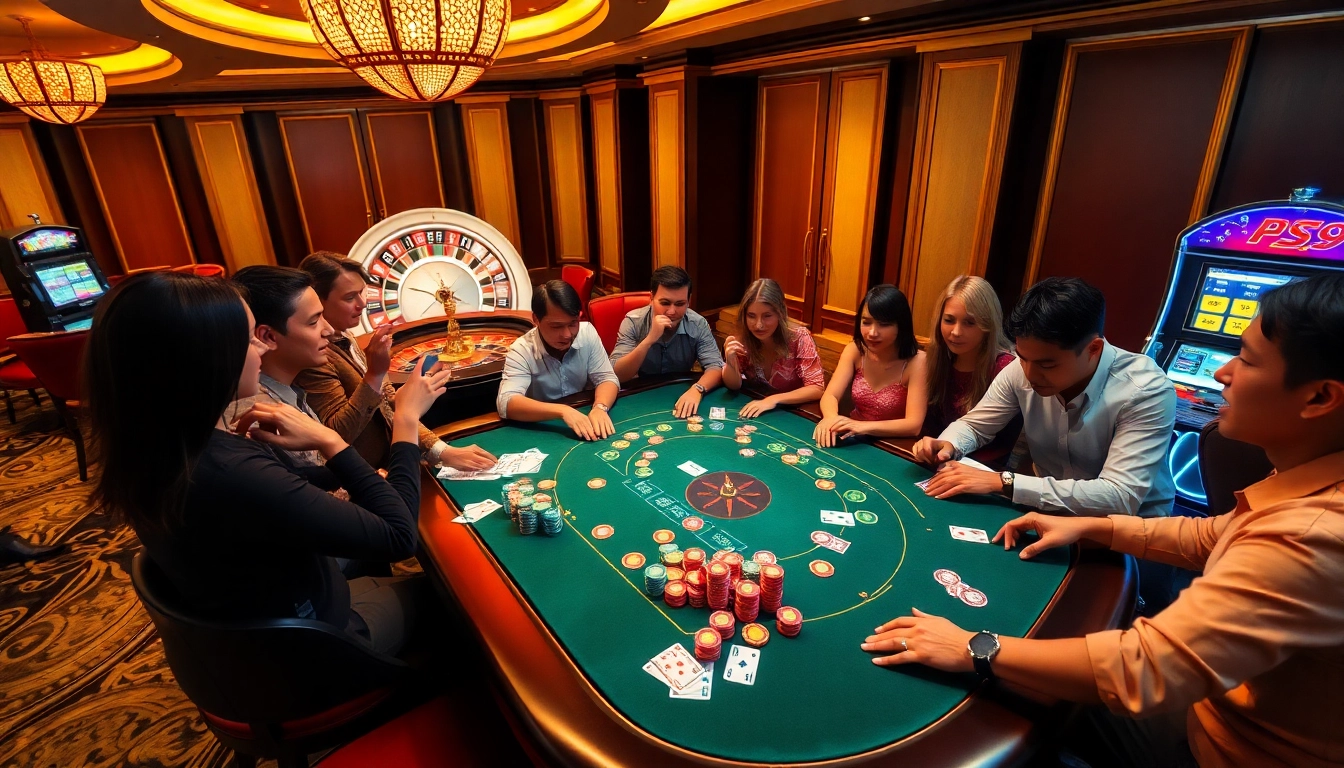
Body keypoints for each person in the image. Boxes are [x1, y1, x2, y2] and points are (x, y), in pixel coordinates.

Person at [862, 273, 1344, 768]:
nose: (1222, 373)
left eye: (1245, 359)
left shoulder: (1308, 536)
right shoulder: (1307, 489)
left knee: (1002, 700)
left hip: (1219, 746)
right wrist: (1092, 526)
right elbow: (1209, 532)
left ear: (1319, 398)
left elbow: (1143, 662)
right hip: (1082, 542)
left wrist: (974, 644)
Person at [86, 272, 452, 655]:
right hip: (310, 647)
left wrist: (342, 458)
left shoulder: (163, 444)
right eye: (248, 339)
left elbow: (294, 481)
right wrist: (399, 423)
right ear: (203, 359)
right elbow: (398, 536)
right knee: (457, 596)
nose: (261, 351)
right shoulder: (229, 470)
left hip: (263, 621)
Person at [913, 277, 1176, 519]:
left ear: (1093, 350)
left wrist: (1002, 482)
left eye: (1046, 365)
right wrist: (947, 443)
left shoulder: (1145, 390)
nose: (1029, 373)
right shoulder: (1020, 368)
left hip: (1129, 532)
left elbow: (1119, 496)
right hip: (1047, 512)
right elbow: (974, 425)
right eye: (1024, 358)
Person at [297, 251, 495, 472]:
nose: (362, 304)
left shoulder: (345, 336)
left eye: (361, 293)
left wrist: (440, 450)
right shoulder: (313, 358)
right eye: (349, 297)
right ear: (317, 300)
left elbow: (388, 401)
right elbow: (337, 434)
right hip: (365, 480)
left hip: (393, 464)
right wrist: (374, 374)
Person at [227, 266, 333, 467]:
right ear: (268, 337)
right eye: (314, 322)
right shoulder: (254, 415)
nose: (329, 330)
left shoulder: (286, 389)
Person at [496, 280, 619, 441]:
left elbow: (606, 378)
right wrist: (563, 411)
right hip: (541, 428)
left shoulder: (587, 333)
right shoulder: (521, 349)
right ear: (536, 319)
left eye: (573, 323)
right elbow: (506, 403)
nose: (567, 334)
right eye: (556, 326)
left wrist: (600, 407)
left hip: (584, 414)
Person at [922, 276, 1020, 467]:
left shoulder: (1006, 368)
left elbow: (999, 443)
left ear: (987, 325)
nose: (956, 332)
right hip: (941, 462)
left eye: (969, 323)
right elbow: (929, 429)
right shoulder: (937, 360)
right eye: (949, 320)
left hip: (987, 472)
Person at [813, 285, 928, 448]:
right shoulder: (855, 350)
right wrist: (831, 419)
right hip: (853, 440)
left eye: (884, 324)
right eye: (866, 322)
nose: (872, 332)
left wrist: (860, 427)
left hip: (892, 445)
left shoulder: (918, 361)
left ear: (901, 326)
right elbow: (830, 395)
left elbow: (913, 425)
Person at [610, 266, 724, 418]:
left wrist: (698, 389)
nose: (671, 311)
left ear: (689, 301)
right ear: (651, 298)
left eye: (679, 304)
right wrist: (649, 340)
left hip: (680, 390)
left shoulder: (698, 324)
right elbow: (618, 374)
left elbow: (715, 367)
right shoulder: (633, 321)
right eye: (665, 303)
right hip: (642, 393)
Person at [722, 278, 825, 417]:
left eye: (767, 316)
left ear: (780, 313)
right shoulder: (743, 338)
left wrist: (773, 400)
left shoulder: (800, 338)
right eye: (751, 316)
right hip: (758, 410)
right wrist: (730, 362)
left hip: (793, 413)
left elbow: (817, 388)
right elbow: (734, 385)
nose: (758, 325)